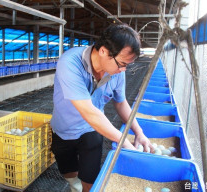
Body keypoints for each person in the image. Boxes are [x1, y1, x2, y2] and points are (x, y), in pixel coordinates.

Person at [50, 23, 154, 192]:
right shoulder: (70, 62)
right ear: (104, 51)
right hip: (64, 129)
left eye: (127, 65)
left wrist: (139, 132)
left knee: (90, 179)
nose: (123, 70)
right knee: (68, 171)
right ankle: (73, 185)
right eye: (121, 63)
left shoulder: (117, 72)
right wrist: (123, 141)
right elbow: (88, 111)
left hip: (92, 129)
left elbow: (120, 103)